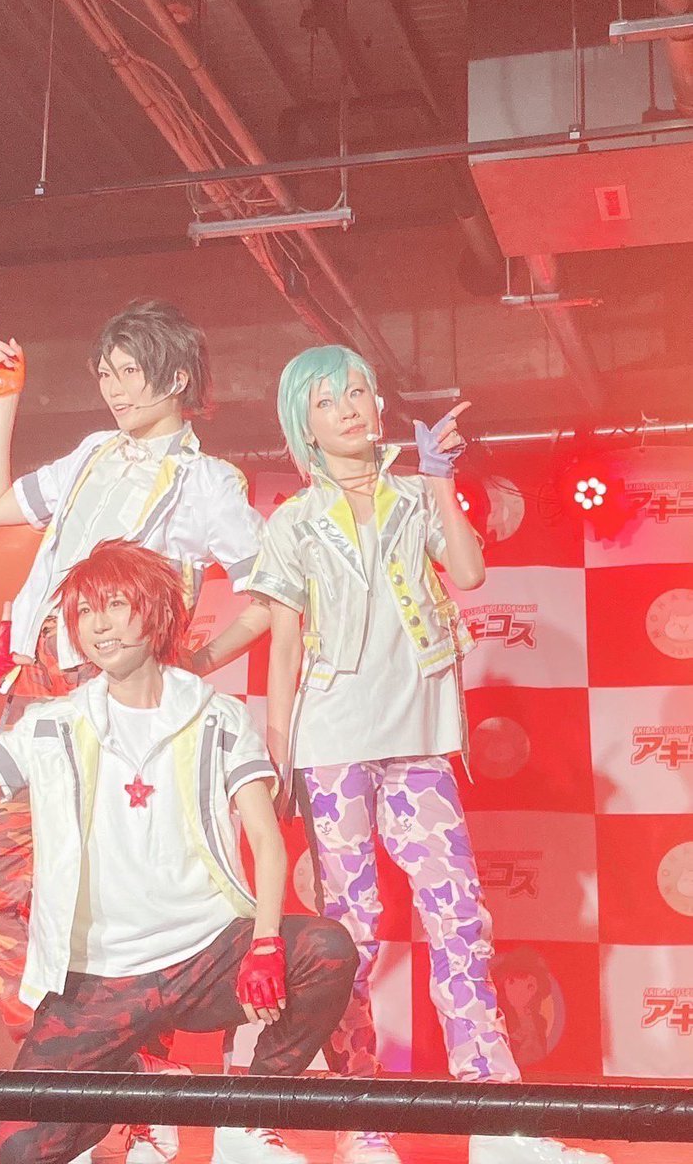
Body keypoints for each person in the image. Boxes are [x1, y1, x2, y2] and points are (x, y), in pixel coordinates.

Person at [245, 346, 612, 1164]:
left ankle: (498, 1118)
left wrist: (442, 479)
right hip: (331, 747)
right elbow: (283, 647)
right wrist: (277, 755)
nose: (349, 408)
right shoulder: (293, 521)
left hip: (417, 745)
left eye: (358, 392)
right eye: (327, 401)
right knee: (352, 938)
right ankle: (361, 1121)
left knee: (459, 922)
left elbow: (471, 571)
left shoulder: (414, 494)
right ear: (302, 424)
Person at [0, 540, 357, 1164]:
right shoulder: (54, 723)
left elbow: (265, 838)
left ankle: (250, 1114)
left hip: (206, 954)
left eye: (116, 605)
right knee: (20, 1147)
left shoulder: (218, 716)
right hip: (102, 979)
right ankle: (127, 1083)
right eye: (84, 611)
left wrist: (264, 942)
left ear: (155, 613)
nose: (98, 625)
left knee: (325, 949)